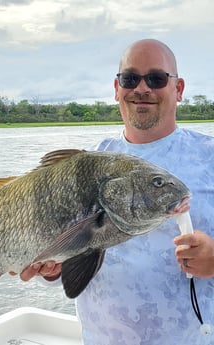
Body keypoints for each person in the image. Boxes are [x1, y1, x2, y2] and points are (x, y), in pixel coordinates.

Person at [18, 39, 214, 344]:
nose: (142, 88)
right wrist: (51, 269)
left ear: (178, 89)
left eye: (157, 78)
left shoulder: (209, 157)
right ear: (116, 87)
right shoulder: (83, 167)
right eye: (130, 78)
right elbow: (68, 259)